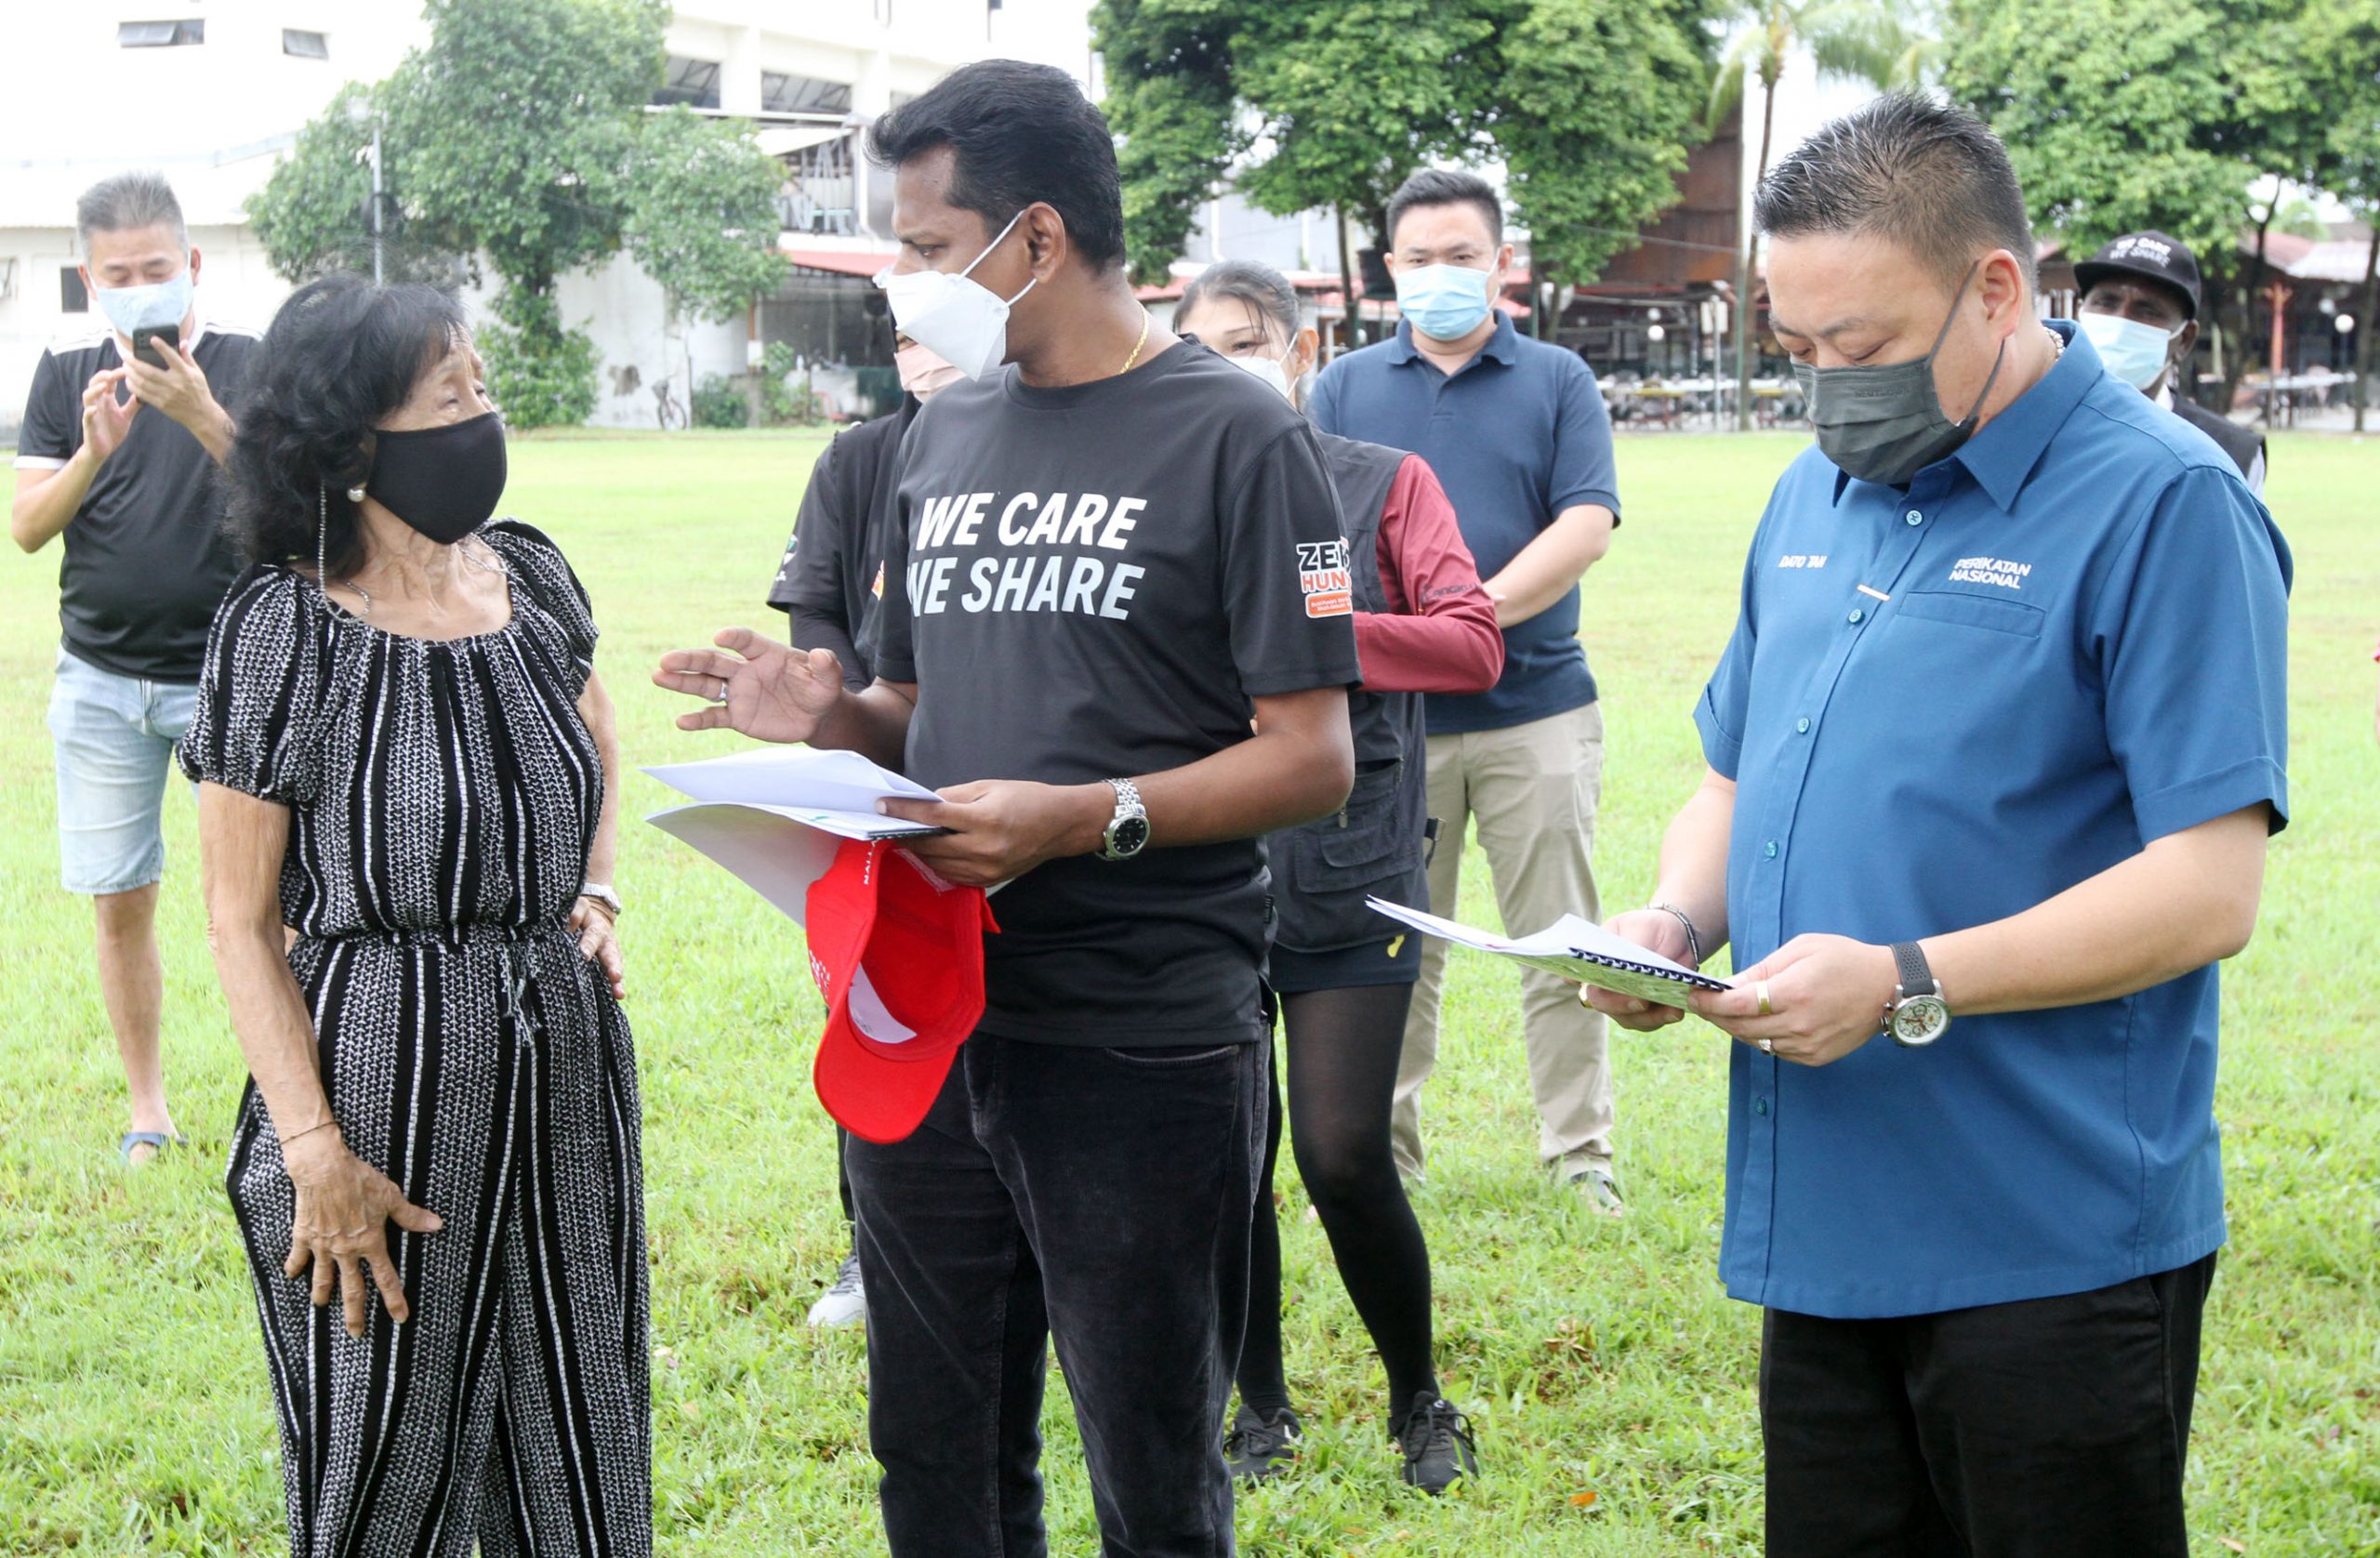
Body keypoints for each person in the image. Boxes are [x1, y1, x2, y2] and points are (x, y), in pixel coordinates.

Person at [658, 60, 1360, 1558]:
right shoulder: (945, 436)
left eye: (925, 250)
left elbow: (1311, 756)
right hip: (933, 1004)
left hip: (1139, 1029)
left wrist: (1078, 818)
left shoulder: (1239, 437)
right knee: (939, 1454)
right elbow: (921, 708)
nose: (906, 287)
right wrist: (825, 716)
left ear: (1034, 240)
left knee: (1152, 1472)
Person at [1588, 95, 2289, 1557]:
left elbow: (2209, 887)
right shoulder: (1811, 489)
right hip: (1828, 1207)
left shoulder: (2167, 507)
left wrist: (1907, 976)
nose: (1831, 387)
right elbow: (1734, 773)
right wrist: (1669, 924)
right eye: (1797, 350)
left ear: (1997, 290)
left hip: (2049, 1228)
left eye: (1863, 347)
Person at [184, 274, 648, 1554]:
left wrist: (593, 885)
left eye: (482, 388)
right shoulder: (283, 628)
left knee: (580, 1419)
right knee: (385, 1455)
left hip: (563, 1070)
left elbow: (596, 732)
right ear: (349, 439)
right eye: (451, 396)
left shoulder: (532, 578)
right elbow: (237, 917)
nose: (481, 419)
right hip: (379, 1082)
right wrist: (312, 1154)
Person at [1174, 260, 1503, 1493]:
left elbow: (1471, 641)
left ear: (1304, 355)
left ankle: (1419, 1398)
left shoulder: (1382, 485)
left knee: (1343, 1149)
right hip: (1200, 876)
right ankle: (1259, 1411)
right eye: (1199, 343)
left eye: (1248, 339)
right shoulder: (1168, 499)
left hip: (1352, 866)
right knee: (1227, 1159)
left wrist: (1312, 634)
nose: (1226, 359)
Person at [1309, 168, 1627, 1210]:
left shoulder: (1556, 379)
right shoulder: (1346, 387)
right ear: (1388, 268)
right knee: (1396, 951)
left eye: (1462, 256)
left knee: (1560, 945)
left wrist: (1465, 623)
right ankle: (1382, 1159)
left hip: (1536, 709)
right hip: (1392, 732)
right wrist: (1426, 649)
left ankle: (1581, 1156)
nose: (1439, 274)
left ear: (1500, 264)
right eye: (1418, 258)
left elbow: (1583, 525)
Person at [9, 171, 256, 1164]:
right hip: (101, 682)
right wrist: (94, 451)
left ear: (192, 264)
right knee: (121, 901)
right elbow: (26, 528)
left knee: (257, 903)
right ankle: (147, 1109)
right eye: (121, 272)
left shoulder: (248, 364)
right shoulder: (64, 374)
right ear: (89, 278)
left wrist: (200, 412)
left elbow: (301, 511)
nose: (141, 284)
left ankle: (281, 1098)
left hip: (231, 679)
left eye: (158, 267)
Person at [764, 333, 964, 1329]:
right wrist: (854, 713)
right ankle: (871, 1249)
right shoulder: (858, 457)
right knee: (879, 1019)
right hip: (882, 791)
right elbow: (815, 621)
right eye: (904, 331)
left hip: (1024, 794)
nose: (922, 348)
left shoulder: (1051, 447)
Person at [2073, 230, 2268, 493]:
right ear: (2080, 312)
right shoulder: (2034, 425)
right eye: (2106, 302)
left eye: (2147, 310)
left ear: (2184, 340)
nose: (2121, 322)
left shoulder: (2230, 454)